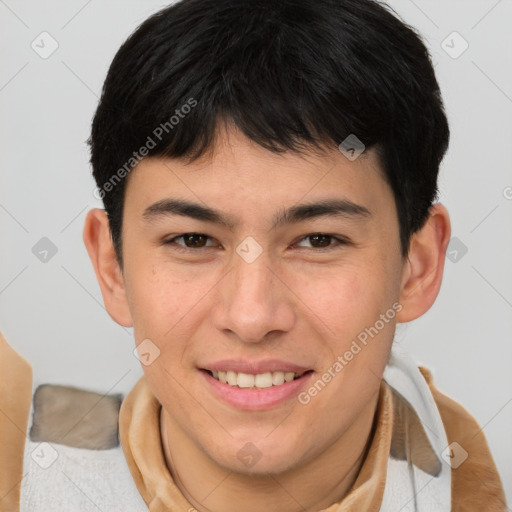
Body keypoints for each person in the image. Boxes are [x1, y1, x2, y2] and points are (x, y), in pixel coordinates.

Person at [1, 0, 506, 510]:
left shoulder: (471, 486)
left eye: (318, 240)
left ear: (416, 267)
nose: (251, 317)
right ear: (113, 269)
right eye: (193, 240)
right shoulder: (22, 476)